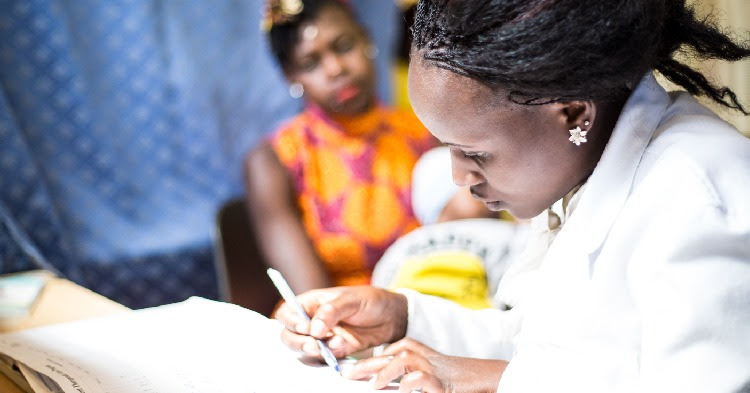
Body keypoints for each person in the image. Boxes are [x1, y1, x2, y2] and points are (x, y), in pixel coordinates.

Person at [274, 1, 750, 392]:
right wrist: (402, 317)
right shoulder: (582, 171)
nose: (459, 177)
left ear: (572, 114)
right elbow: (546, 347)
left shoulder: (699, 196)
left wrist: (498, 382)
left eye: (474, 153)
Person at [244, 0, 435, 294]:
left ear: (366, 39)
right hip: (338, 323)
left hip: (433, 306)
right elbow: (312, 296)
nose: (335, 69)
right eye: (311, 63)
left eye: (344, 46)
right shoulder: (274, 159)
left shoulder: (426, 133)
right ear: (291, 77)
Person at [371, 146, 527, 311]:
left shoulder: (401, 248)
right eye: (474, 185)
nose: (489, 189)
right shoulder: (409, 245)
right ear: (441, 199)